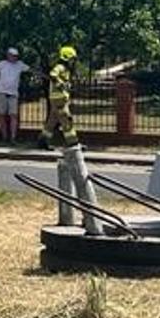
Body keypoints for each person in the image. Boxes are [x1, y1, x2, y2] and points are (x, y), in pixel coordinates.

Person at [44, 45, 102, 235]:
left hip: (58, 99)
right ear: (68, 58)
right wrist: (61, 84)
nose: (74, 61)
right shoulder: (60, 68)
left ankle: (42, 140)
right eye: (73, 59)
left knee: (52, 121)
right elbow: (53, 75)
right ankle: (73, 144)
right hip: (59, 99)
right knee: (67, 122)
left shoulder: (65, 69)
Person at [0, 47, 29, 145]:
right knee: (2, 115)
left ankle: (13, 137)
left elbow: (31, 70)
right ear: (8, 56)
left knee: (13, 115)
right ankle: (4, 137)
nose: (15, 58)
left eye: (16, 56)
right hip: (2, 92)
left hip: (13, 93)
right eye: (13, 56)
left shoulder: (20, 65)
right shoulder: (2, 64)